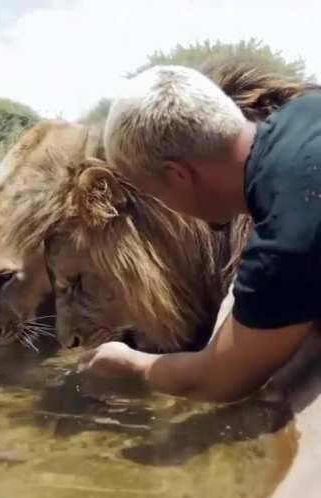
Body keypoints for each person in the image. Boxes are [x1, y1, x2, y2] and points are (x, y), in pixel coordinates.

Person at [80, 65, 321, 402]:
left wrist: (131, 363)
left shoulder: (287, 238)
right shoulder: (307, 109)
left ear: (178, 175)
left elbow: (215, 381)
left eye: (157, 196)